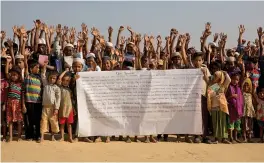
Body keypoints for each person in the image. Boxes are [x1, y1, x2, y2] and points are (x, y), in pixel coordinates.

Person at [207, 70, 231, 144]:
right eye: (214, 75)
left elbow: (229, 80)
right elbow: (209, 95)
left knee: (223, 123)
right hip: (214, 106)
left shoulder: (222, 85)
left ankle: (224, 138)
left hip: (222, 106)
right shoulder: (211, 86)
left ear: (220, 78)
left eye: (216, 76)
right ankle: (216, 139)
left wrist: (225, 73)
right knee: (215, 123)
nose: (214, 77)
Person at [39, 66, 61, 143]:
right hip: (45, 107)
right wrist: (44, 67)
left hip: (53, 108)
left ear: (56, 79)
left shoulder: (57, 88)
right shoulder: (45, 85)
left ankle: (52, 136)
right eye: (51, 78)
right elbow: (43, 75)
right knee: (43, 121)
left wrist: (56, 108)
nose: (52, 79)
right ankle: (42, 137)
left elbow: (58, 99)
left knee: (53, 122)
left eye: (54, 78)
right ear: (48, 78)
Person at [5, 66, 25, 142]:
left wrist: (23, 105)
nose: (13, 76)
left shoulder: (21, 84)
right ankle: (10, 137)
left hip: (18, 104)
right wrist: (4, 104)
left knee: (19, 121)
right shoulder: (9, 83)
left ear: (19, 76)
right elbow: (7, 94)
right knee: (10, 121)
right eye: (12, 75)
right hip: (10, 103)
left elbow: (22, 96)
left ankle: (19, 137)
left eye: (15, 75)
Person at [57, 70, 75, 143]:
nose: (65, 81)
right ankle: (62, 137)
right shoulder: (60, 88)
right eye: (64, 80)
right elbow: (59, 78)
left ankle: (70, 137)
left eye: (67, 80)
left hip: (69, 109)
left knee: (69, 125)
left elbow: (72, 100)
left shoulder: (70, 90)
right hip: (62, 109)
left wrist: (73, 109)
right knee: (62, 124)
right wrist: (66, 71)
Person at [226, 72, 244, 143]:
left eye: (236, 79)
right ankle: (230, 137)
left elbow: (241, 100)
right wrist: (232, 96)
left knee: (237, 124)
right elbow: (225, 97)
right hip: (231, 108)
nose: (235, 81)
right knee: (231, 124)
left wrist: (242, 108)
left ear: (238, 80)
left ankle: (235, 137)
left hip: (238, 109)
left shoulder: (239, 88)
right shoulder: (228, 87)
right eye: (233, 79)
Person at [241, 78, 255, 143]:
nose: (246, 87)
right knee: (244, 125)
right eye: (245, 86)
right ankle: (244, 138)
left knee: (250, 125)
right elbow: (242, 85)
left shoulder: (251, 94)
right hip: (244, 112)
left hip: (249, 112)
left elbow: (253, 103)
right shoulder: (242, 93)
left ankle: (249, 138)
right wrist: (245, 78)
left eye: (247, 86)